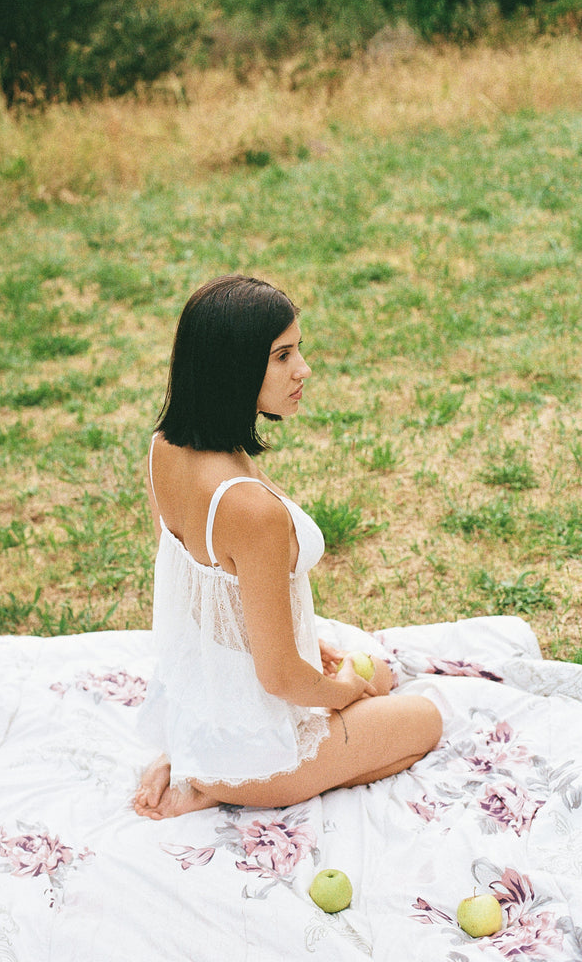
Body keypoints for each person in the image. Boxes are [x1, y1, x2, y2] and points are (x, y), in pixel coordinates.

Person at [134, 274, 442, 820]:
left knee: (381, 673)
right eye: (282, 356)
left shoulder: (164, 448)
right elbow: (278, 677)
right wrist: (339, 691)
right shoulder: (248, 509)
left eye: (297, 349)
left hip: (204, 708)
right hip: (256, 750)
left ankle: (208, 768)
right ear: (233, 369)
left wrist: (300, 641)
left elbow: (198, 595)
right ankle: (227, 786)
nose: (303, 369)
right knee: (424, 720)